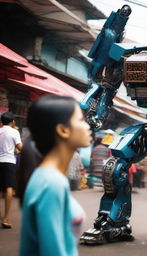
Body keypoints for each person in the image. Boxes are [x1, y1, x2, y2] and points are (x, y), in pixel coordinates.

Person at [18, 95, 92, 256]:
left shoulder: (48, 177)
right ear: (63, 130)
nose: (87, 126)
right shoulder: (51, 183)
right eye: (80, 120)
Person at [0, 111, 22, 228]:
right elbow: (20, 148)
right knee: (8, 189)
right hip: (8, 162)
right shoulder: (14, 132)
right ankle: (5, 218)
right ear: (12, 121)